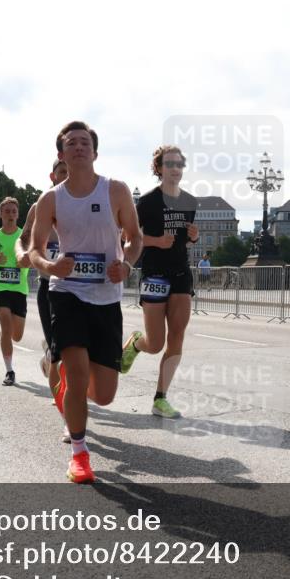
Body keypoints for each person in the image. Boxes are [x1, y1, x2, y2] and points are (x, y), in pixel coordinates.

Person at [27, 120, 143, 483]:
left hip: (106, 299)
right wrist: (51, 266)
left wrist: (126, 264)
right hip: (68, 295)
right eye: (71, 143)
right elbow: (34, 250)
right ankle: (79, 454)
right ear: (61, 154)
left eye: (84, 143)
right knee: (77, 380)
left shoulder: (116, 191)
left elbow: (135, 238)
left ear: (94, 151)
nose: (78, 147)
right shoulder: (51, 199)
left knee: (104, 395)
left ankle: (72, 387)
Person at [119, 145, 199, 419]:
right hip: (154, 274)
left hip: (180, 274)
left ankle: (160, 398)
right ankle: (134, 344)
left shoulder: (190, 202)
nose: (176, 169)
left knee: (177, 337)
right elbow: (126, 237)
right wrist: (154, 241)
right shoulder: (147, 202)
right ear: (159, 169)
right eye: (170, 164)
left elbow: (184, 238)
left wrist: (194, 236)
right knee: (155, 343)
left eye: (179, 164)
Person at [16, 158, 68, 406]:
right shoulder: (40, 206)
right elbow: (22, 237)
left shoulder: (91, 202)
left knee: (76, 350)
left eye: (71, 170)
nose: (67, 175)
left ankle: (51, 357)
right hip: (49, 286)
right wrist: (21, 253)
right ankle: (66, 408)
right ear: (53, 176)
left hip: (80, 286)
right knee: (60, 353)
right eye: (62, 171)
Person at [0, 198, 30, 386]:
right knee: (6, 327)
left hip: (19, 289)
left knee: (16, 336)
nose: (10, 215)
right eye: (7, 211)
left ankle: (5, 337)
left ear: (18, 214)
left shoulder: (24, 237)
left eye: (13, 212)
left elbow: (34, 259)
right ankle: (9, 371)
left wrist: (24, 262)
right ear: (0, 214)